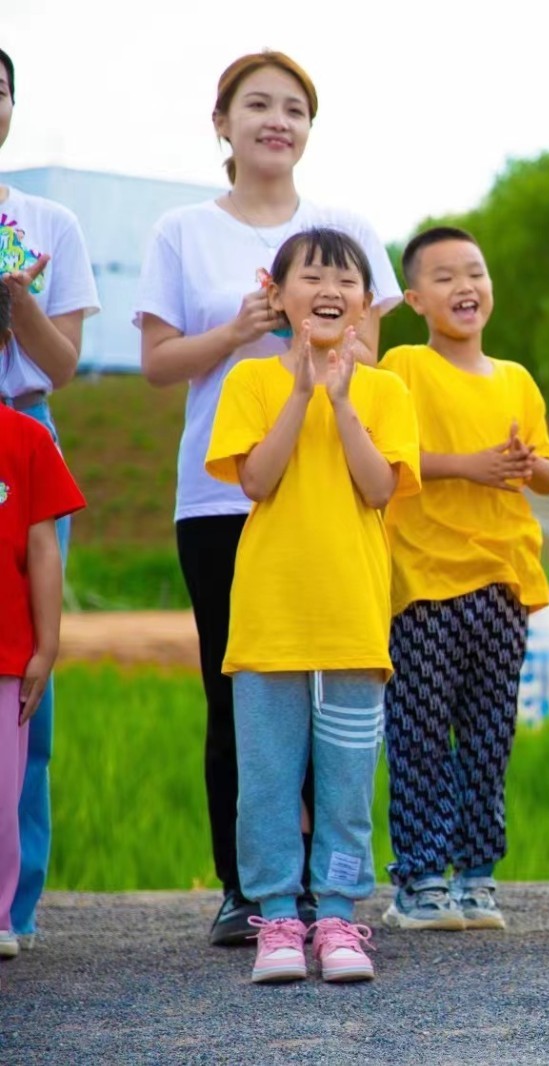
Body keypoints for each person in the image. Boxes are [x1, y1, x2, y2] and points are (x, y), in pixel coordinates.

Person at [135, 50, 402, 946]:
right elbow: (156, 366)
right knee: (241, 694)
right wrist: (240, 332)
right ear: (223, 123)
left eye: (294, 107)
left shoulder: (344, 226)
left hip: (334, 489)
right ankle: (250, 896)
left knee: (336, 710)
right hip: (224, 496)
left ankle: (329, 902)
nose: (275, 120)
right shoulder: (183, 228)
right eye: (256, 105)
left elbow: (365, 341)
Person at [204, 228, 419, 984]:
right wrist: (301, 391)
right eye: (312, 276)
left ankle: (336, 915)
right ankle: (276, 920)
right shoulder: (252, 384)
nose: (330, 290)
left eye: (346, 280)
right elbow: (257, 482)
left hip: (354, 621)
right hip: (269, 620)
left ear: (365, 302)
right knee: (265, 780)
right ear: (280, 294)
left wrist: (342, 399)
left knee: (346, 781)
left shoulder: (387, 388)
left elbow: (380, 489)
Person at [379, 226, 549, 932]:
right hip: (424, 582)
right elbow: (392, 456)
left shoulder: (516, 379)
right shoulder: (404, 366)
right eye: (446, 276)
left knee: (488, 738)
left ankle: (476, 877)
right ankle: (421, 879)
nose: (466, 287)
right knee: (419, 734)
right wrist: (469, 465)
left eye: (476, 273)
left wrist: (519, 463)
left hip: (504, 582)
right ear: (416, 298)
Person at [0, 46, 102, 949]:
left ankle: (13, 903)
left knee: (26, 659)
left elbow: (64, 364)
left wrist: (15, 300)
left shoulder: (47, 221)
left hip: (24, 430)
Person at [0, 281, 86, 959]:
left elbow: (42, 548)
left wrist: (47, 643)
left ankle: (5, 915)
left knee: (5, 791)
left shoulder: (28, 439)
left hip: (8, 657)